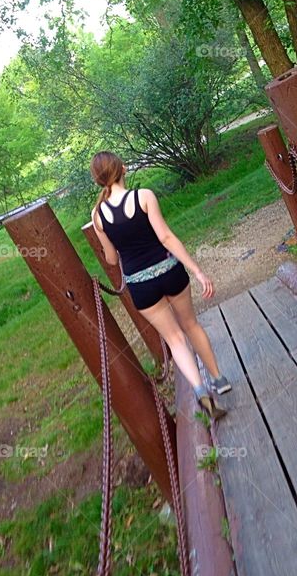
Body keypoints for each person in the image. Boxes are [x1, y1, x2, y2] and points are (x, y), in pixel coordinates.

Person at [89, 151, 229, 420]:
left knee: (175, 340)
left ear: (98, 180)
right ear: (123, 168)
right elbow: (165, 236)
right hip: (169, 271)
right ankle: (219, 379)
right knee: (191, 326)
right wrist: (197, 271)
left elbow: (110, 257)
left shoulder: (97, 216)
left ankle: (201, 391)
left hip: (141, 285)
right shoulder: (144, 196)